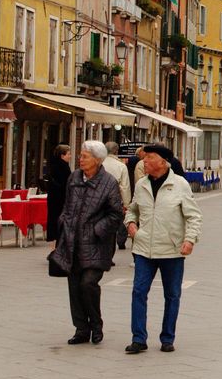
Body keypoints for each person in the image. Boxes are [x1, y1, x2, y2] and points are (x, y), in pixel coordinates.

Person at [124, 144, 203, 354]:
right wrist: (130, 224)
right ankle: (138, 338)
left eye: (149, 157)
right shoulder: (141, 184)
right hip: (143, 249)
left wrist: (190, 240)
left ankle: (167, 338)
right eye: (145, 157)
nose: (144, 161)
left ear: (163, 161)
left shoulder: (180, 184)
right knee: (138, 292)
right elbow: (132, 210)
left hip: (171, 250)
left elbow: (194, 216)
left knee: (172, 295)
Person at [49, 141, 123, 346]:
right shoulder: (74, 177)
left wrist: (97, 230)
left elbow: (116, 214)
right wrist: (63, 222)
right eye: (80, 156)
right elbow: (67, 205)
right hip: (72, 241)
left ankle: (96, 325)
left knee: (88, 283)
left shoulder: (108, 182)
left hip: (97, 244)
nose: (80, 159)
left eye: (84, 156)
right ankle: (81, 329)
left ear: (97, 160)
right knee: (74, 287)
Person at [103, 142, 133, 249]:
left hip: (100, 198)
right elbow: (124, 187)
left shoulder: (99, 163)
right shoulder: (121, 166)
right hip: (115, 198)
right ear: (116, 151)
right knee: (119, 220)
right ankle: (120, 241)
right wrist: (126, 204)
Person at [46, 145, 72, 244]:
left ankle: (53, 242)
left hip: (53, 198)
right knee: (59, 221)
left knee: (53, 219)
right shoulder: (63, 167)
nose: (70, 156)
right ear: (62, 156)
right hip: (61, 199)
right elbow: (67, 183)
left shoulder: (53, 166)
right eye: (68, 154)